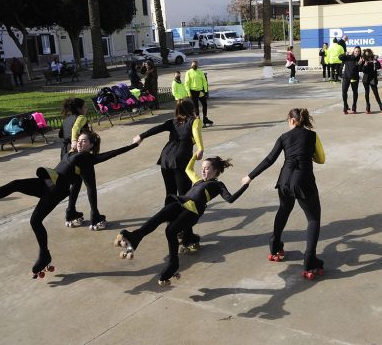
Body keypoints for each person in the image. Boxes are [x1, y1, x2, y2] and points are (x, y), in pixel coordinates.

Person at [0, 132, 140, 278]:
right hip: (45, 183)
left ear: (90, 145)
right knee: (15, 184)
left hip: (53, 192)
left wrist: (133, 144)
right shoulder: (72, 151)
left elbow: (111, 154)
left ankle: (44, 255)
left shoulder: (86, 157)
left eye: (84, 141)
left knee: (35, 221)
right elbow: (72, 173)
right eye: (79, 140)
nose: (80, 143)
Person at [114, 153, 249, 286]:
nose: (202, 170)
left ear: (216, 171)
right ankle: (134, 237)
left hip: (192, 212)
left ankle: (173, 263)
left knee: (170, 231)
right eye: (202, 167)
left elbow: (230, 199)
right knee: (159, 216)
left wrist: (245, 185)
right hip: (180, 203)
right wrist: (194, 157)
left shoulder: (218, 185)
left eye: (207, 168)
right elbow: (188, 169)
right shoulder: (198, 181)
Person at [242, 108, 326, 280]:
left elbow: (269, 159)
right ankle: (310, 260)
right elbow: (321, 159)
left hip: (285, 181)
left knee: (284, 209)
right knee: (313, 219)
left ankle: (275, 246)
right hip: (304, 181)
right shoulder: (312, 136)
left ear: (291, 120)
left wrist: (250, 176)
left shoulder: (283, 137)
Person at [132, 99, 204, 251]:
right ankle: (187, 236)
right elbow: (197, 135)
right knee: (186, 199)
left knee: (171, 195)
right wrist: (200, 148)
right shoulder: (194, 121)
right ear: (192, 109)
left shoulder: (172, 122)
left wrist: (141, 136)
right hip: (180, 162)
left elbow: (157, 128)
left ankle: (173, 227)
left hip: (165, 160)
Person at [58, 98, 90, 226]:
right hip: (75, 151)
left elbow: (60, 135)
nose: (86, 109)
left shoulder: (66, 119)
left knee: (75, 181)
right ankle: (70, 210)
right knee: (78, 181)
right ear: (79, 108)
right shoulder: (80, 118)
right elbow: (84, 135)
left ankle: (71, 210)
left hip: (65, 152)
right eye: (85, 106)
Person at [361, 48, 382, 114]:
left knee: (376, 93)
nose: (368, 55)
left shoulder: (374, 59)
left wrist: (376, 62)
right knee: (367, 93)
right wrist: (365, 65)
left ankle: (381, 106)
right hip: (366, 78)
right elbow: (362, 70)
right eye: (366, 54)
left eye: (369, 54)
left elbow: (379, 67)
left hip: (373, 78)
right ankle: (367, 107)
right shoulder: (364, 60)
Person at [184, 60, 213, 127]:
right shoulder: (188, 73)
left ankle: (205, 118)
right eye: (193, 65)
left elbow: (204, 82)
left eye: (196, 65)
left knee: (204, 104)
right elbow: (186, 83)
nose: (194, 66)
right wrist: (188, 92)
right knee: (196, 106)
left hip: (200, 91)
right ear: (191, 65)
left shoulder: (200, 72)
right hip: (192, 91)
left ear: (197, 65)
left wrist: (205, 91)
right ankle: (198, 121)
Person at [339, 46, 363, 114]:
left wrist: (359, 64)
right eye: (356, 51)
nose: (357, 53)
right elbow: (340, 57)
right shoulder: (348, 56)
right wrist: (345, 53)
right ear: (353, 51)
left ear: (360, 52)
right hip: (346, 77)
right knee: (344, 91)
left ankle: (354, 106)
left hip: (354, 77)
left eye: (358, 51)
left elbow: (360, 69)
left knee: (355, 92)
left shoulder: (360, 58)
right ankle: (345, 106)